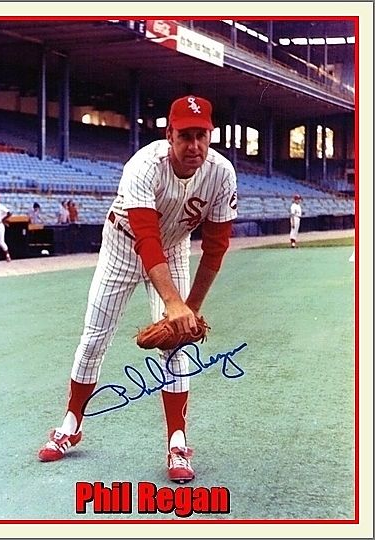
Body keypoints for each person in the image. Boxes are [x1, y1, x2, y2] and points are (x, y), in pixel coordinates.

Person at [38, 96, 238, 484]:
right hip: (123, 244)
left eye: (202, 135)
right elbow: (146, 239)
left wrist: (189, 310)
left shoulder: (222, 173)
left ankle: (177, 443)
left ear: (210, 135)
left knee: (178, 344)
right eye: (185, 136)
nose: (194, 145)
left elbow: (216, 246)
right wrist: (173, 303)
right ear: (169, 135)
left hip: (175, 247)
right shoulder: (144, 166)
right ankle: (70, 425)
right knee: (94, 339)